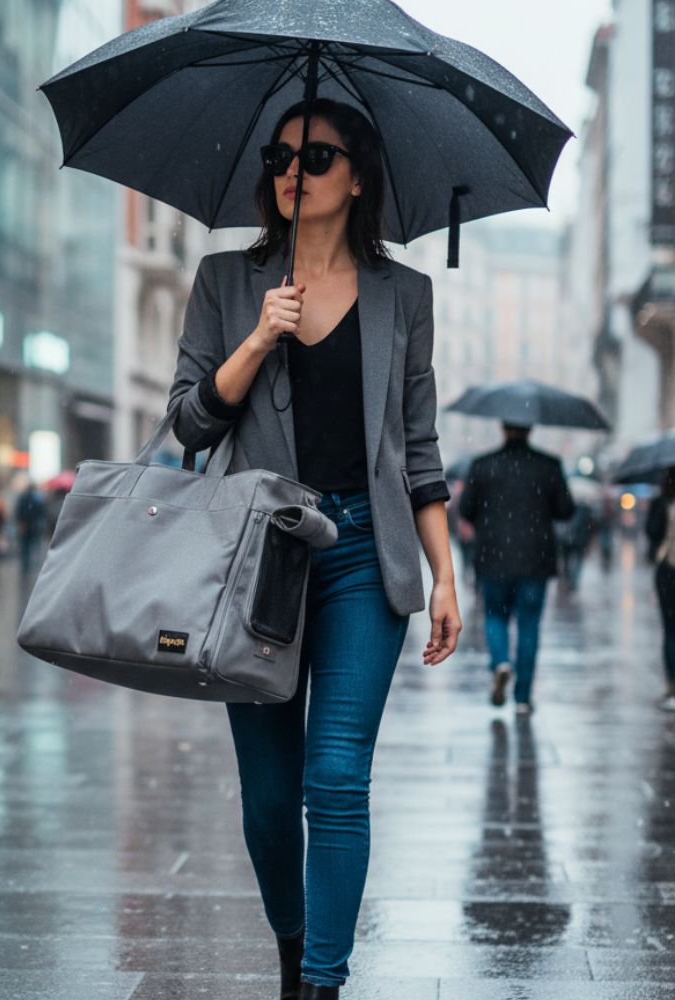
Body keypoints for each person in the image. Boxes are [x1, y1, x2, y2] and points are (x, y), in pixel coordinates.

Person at [167, 99, 461, 999]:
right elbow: (185, 420)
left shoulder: (405, 295)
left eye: (319, 155)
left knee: (335, 779)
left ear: (359, 176)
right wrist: (260, 336)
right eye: (282, 155)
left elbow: (418, 450)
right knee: (267, 801)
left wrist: (445, 574)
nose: (295, 170)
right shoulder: (227, 281)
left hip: (362, 558)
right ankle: (294, 945)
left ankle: (322, 984)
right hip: (258, 560)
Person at [459, 423, 574, 714]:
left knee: (495, 615)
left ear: (502, 428)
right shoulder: (549, 465)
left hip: (492, 557)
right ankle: (522, 698)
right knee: (529, 624)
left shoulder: (483, 465)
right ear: (531, 430)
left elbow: (466, 509)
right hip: (535, 560)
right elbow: (566, 510)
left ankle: (500, 662)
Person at [645, 468, 675, 711]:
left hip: (668, 571)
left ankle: (672, 686)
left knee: (670, 629)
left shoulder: (660, 502)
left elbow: (651, 532)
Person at [14, 481, 46, 576]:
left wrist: (21, 522)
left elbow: (18, 512)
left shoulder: (23, 499)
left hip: (27, 526)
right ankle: (31, 565)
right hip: (32, 526)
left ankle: (26, 565)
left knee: (26, 547)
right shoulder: (36, 499)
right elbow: (41, 513)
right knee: (32, 546)